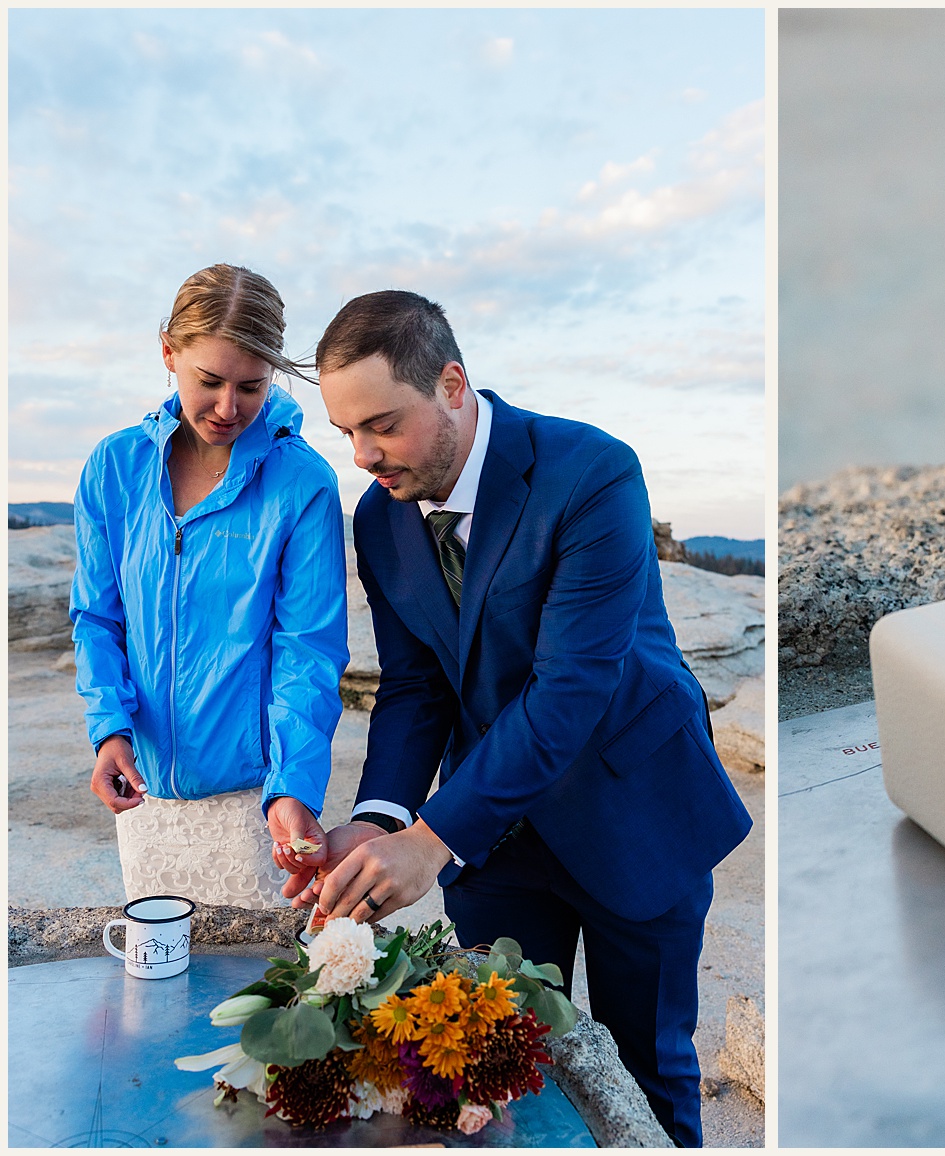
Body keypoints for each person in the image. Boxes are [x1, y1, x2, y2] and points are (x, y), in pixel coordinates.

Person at [289, 290, 750, 1146]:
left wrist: (429, 840)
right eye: (345, 432)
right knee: (489, 1066)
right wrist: (380, 818)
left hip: (632, 811)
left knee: (646, 1078)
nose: (362, 456)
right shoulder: (378, 517)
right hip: (497, 843)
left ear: (452, 384)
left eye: (381, 425)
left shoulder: (591, 471)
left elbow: (572, 687)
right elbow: (416, 685)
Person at [71, 263, 349, 907]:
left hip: (257, 805)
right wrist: (108, 728)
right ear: (168, 352)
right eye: (209, 380)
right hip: (145, 797)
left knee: (254, 1001)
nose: (228, 408)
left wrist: (293, 790)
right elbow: (97, 618)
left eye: (251, 386)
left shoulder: (303, 485)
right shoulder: (114, 467)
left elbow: (307, 653)